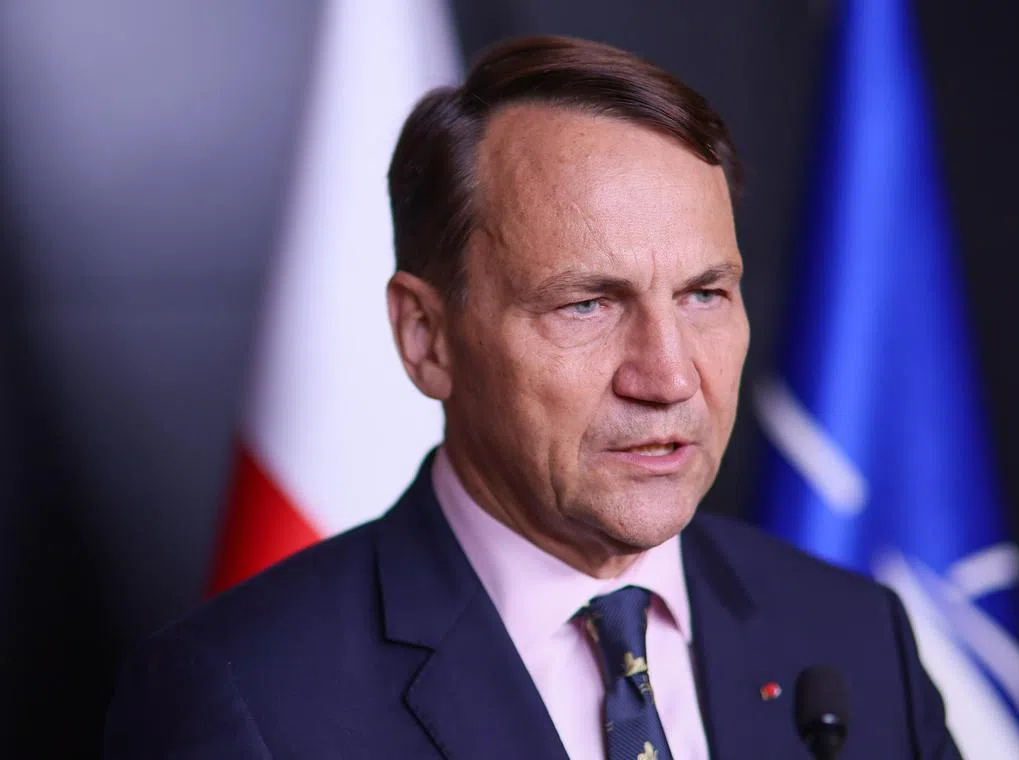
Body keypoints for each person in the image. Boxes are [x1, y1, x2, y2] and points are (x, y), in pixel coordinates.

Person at [104, 35, 961, 760]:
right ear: (427, 338)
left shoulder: (855, 634)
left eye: (704, 295)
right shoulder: (246, 697)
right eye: (586, 305)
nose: (668, 377)